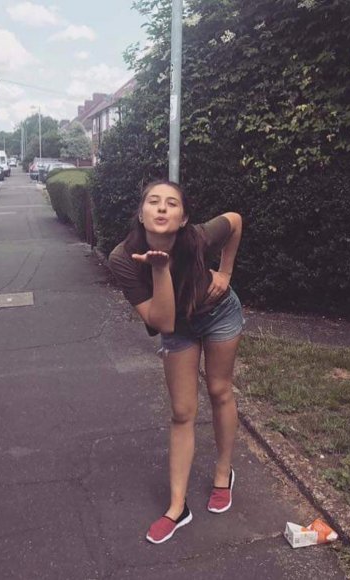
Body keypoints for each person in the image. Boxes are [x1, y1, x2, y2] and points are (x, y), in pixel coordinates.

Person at [109, 180, 244, 544]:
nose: (162, 208)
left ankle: (223, 474)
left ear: (183, 219)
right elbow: (164, 324)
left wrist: (226, 272)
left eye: (171, 203)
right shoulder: (123, 258)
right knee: (182, 411)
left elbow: (234, 220)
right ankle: (177, 507)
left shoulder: (198, 237)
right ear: (141, 214)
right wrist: (159, 269)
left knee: (219, 390)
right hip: (178, 324)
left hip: (218, 313)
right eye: (153, 201)